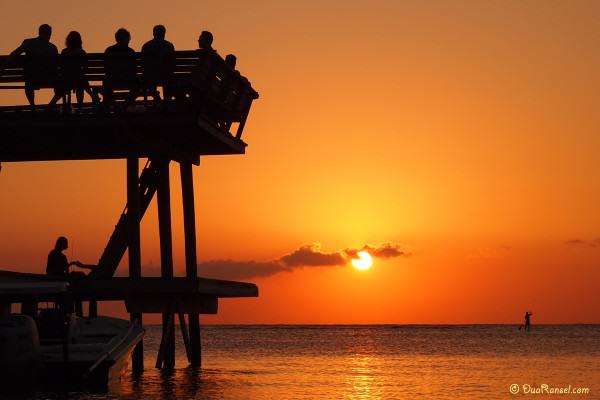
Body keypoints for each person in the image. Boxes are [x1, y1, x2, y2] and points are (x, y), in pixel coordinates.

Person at [0, 24, 58, 107]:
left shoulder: (29, 42)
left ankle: (32, 105)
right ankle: (51, 105)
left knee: (29, 80)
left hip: (31, 77)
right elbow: (55, 65)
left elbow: (15, 54)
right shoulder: (52, 48)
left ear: (39, 32)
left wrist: (3, 66)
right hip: (48, 78)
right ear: (49, 34)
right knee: (62, 84)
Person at [48, 31, 100, 109]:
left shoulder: (64, 52)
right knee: (81, 81)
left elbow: (61, 66)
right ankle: (84, 103)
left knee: (67, 84)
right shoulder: (82, 52)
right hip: (79, 79)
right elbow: (86, 67)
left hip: (66, 79)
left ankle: (52, 104)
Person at [103, 28, 139, 109]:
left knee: (106, 81)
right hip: (128, 79)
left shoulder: (109, 50)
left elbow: (106, 67)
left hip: (112, 79)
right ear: (127, 39)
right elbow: (135, 69)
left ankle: (116, 106)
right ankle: (124, 105)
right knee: (138, 84)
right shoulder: (131, 52)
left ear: (116, 38)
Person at [141, 25, 175, 104]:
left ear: (153, 33)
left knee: (149, 81)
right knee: (169, 79)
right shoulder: (169, 46)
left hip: (150, 76)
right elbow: (173, 64)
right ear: (164, 34)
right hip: (167, 75)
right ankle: (166, 103)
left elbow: (143, 64)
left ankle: (158, 101)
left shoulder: (146, 46)